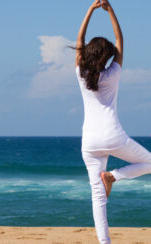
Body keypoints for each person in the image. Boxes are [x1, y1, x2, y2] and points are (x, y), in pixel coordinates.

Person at [74, 0, 151, 243]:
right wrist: (110, 10)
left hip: (90, 142)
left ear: (87, 54)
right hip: (113, 136)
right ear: (106, 57)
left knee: (97, 197)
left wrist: (89, 10)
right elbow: (120, 41)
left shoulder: (81, 74)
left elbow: (79, 43)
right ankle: (114, 176)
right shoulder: (113, 74)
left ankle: (104, 242)